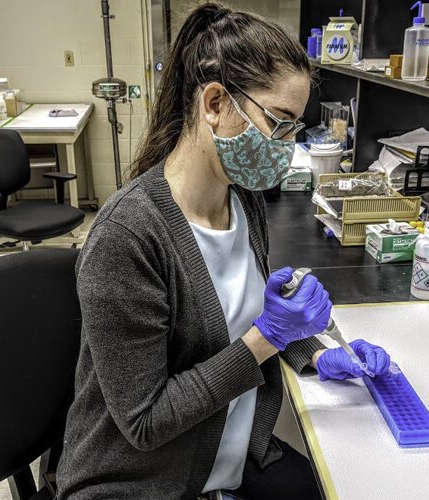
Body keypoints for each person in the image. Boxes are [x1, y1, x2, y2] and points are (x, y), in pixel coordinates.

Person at [57, 3, 391, 499]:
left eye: (294, 128)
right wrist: (268, 337)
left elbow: (238, 326)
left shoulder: (244, 201)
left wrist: (315, 353)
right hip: (141, 484)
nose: (286, 145)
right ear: (214, 102)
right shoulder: (128, 237)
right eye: (278, 122)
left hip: (231, 462)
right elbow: (145, 422)